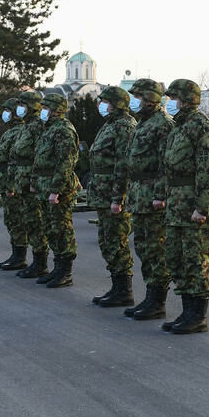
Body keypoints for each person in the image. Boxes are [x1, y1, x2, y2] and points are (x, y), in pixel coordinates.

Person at [158, 79, 209, 334]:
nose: (170, 102)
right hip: (176, 205)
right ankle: (186, 311)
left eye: (173, 98)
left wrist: (202, 208)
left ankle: (198, 316)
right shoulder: (179, 128)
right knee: (176, 258)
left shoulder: (201, 127)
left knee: (195, 260)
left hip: (193, 205)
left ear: (186, 100)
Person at [123, 79, 175, 320]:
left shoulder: (163, 124)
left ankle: (158, 301)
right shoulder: (143, 123)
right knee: (143, 247)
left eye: (139, 96)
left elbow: (166, 163)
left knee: (156, 249)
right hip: (139, 194)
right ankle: (150, 296)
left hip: (153, 194)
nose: (135, 101)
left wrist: (160, 195)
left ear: (151, 98)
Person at [88, 86, 137, 307]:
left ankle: (125, 290)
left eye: (106, 101)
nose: (102, 105)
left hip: (112, 194)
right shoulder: (110, 125)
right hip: (103, 193)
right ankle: (117, 287)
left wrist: (118, 198)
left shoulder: (125, 126)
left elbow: (122, 165)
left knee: (116, 241)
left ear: (117, 104)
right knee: (107, 241)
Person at [32, 93, 79, 288]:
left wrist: (56, 190)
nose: (42, 111)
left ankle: (65, 272)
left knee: (61, 229)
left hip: (58, 189)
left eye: (46, 108)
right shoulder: (49, 128)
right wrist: (35, 182)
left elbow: (65, 163)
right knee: (50, 228)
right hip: (45, 186)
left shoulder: (63, 130)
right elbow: (40, 159)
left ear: (56, 110)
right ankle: (57, 268)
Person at [9, 91, 50, 278]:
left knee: (35, 222)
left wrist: (34, 181)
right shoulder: (27, 126)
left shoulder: (38, 126)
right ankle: (33, 261)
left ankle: (40, 263)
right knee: (28, 220)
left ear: (32, 106)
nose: (19, 109)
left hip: (32, 182)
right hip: (23, 180)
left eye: (23, 105)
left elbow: (39, 157)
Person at [0, 97, 29, 270]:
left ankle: (20, 257)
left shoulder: (19, 131)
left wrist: (11, 186)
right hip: (6, 180)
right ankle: (16, 254)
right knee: (11, 219)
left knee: (16, 219)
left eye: (8, 110)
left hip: (12, 182)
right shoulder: (11, 131)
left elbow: (14, 161)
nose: (4, 113)